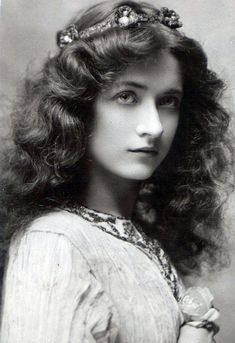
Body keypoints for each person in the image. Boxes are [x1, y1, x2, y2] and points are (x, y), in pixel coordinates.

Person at [0, 0, 232, 342]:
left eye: (168, 102)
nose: (153, 127)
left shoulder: (137, 238)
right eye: (127, 97)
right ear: (79, 110)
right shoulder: (54, 243)